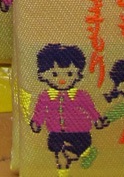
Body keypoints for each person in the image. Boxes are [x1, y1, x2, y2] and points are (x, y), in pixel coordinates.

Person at [30, 43, 107, 176]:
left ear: (78, 75)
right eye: (54, 74)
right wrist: (37, 122)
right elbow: (40, 112)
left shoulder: (81, 95)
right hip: (55, 132)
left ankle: (82, 155)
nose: (61, 79)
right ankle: (63, 173)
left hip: (80, 132)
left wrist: (97, 119)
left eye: (69, 73)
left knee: (74, 150)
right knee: (59, 151)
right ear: (42, 75)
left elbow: (90, 109)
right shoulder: (45, 96)